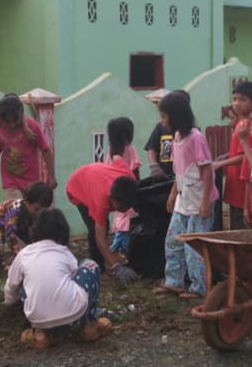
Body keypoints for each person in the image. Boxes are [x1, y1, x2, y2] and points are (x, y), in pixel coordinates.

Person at [3, 208, 112, 349]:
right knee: (89, 265)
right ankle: (89, 326)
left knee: (23, 282)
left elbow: (11, 284)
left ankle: (40, 334)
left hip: (38, 318)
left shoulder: (24, 254)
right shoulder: (64, 252)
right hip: (73, 315)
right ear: (63, 230)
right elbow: (74, 278)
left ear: (35, 229)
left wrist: (9, 303)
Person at [157, 90, 217, 298]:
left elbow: (207, 170)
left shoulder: (196, 139)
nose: (162, 121)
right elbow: (179, 169)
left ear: (176, 116)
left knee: (195, 247)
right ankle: (174, 280)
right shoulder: (177, 137)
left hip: (199, 202)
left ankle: (199, 287)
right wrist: (173, 193)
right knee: (173, 240)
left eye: (164, 116)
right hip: (183, 200)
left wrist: (205, 202)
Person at [65, 158, 140, 283]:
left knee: (104, 225)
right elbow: (99, 239)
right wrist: (117, 267)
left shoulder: (129, 178)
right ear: (112, 198)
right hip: (78, 185)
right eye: (121, 207)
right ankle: (99, 270)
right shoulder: (100, 202)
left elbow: (118, 159)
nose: (124, 210)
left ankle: (106, 262)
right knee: (94, 228)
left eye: (128, 206)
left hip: (95, 175)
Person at [0, 94, 56, 199]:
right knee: (15, 210)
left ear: (21, 114)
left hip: (31, 182)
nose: (12, 125)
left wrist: (51, 176)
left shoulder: (32, 127)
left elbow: (45, 150)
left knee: (31, 212)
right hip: (10, 182)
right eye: (8, 122)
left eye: (14, 121)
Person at [214, 81, 252, 229]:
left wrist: (219, 164)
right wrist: (226, 156)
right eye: (234, 99)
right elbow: (239, 151)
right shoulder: (242, 123)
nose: (237, 103)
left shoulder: (250, 125)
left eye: (242, 99)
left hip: (243, 187)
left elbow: (246, 156)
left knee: (242, 228)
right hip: (236, 184)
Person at [0, 181, 55, 270]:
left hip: (21, 224)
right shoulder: (15, 210)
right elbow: (9, 234)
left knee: (31, 244)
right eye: (37, 209)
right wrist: (19, 252)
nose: (39, 213)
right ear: (27, 202)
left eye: (42, 210)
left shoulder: (34, 211)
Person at [107, 117, 140, 257]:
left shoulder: (111, 151)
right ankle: (120, 249)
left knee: (120, 220)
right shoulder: (130, 149)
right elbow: (135, 171)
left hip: (116, 191)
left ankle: (116, 248)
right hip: (129, 191)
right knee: (128, 223)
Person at [144, 90, 177, 178]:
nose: (163, 120)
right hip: (163, 176)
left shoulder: (185, 132)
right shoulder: (160, 127)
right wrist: (154, 166)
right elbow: (152, 148)